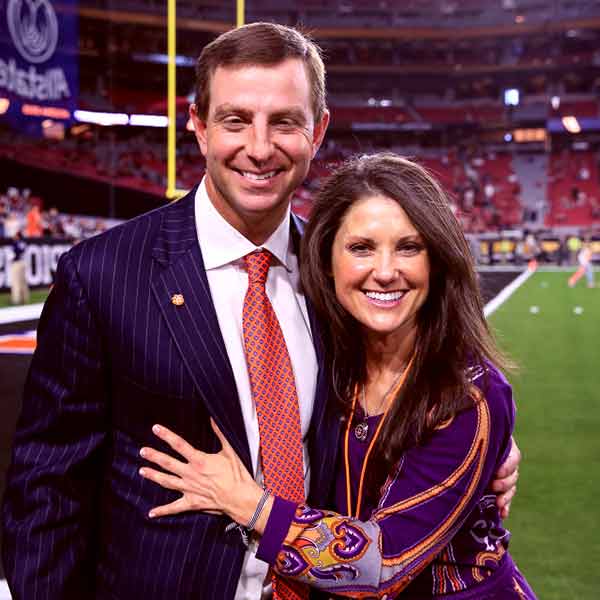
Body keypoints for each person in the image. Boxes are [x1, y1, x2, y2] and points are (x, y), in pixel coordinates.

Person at [1, 24, 519, 600]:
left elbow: (414, 385)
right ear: (197, 126)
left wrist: (488, 443)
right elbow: (48, 486)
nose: (259, 146)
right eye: (235, 119)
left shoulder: (338, 273)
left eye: (285, 122)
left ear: (317, 131)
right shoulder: (101, 275)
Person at [139, 154, 534, 598]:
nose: (385, 272)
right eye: (361, 248)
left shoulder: (470, 394)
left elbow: (381, 566)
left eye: (409, 247)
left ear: (438, 260)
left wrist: (246, 503)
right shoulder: (324, 347)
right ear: (326, 259)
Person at [9, 230, 29, 305]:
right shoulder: (23, 243)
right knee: (23, 281)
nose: (14, 237)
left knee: (16, 282)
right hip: (23, 262)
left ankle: (16, 299)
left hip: (17, 263)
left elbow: (13, 253)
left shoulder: (15, 243)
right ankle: (25, 298)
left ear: (18, 236)